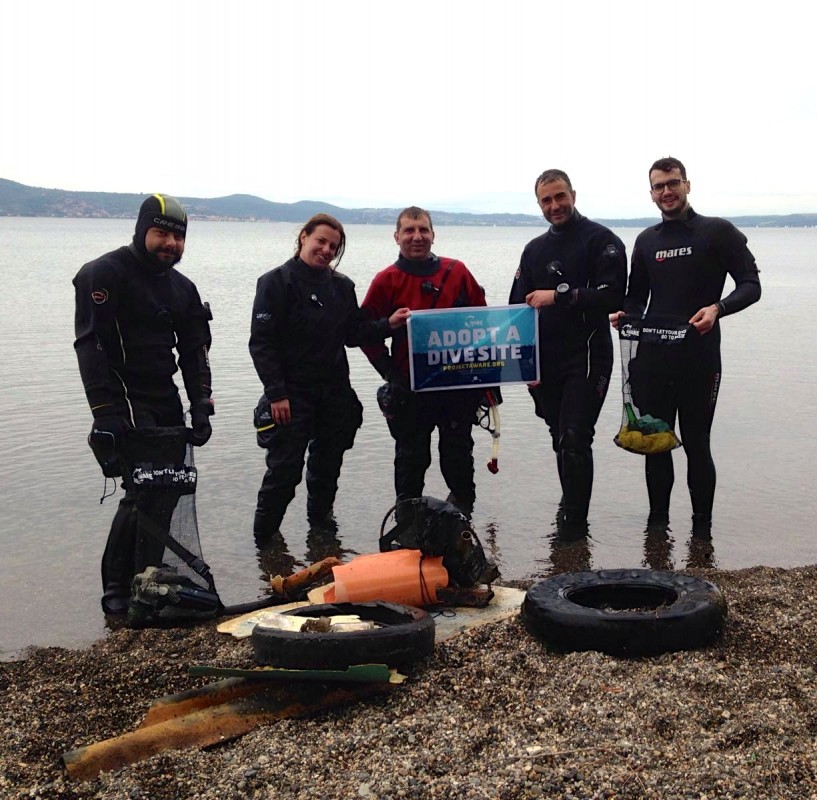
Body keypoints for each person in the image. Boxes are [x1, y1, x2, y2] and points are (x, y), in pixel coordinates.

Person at [73, 194, 214, 615]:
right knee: (140, 493)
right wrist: (104, 415)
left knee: (167, 489)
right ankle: (116, 593)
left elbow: (194, 351)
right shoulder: (103, 273)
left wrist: (201, 405)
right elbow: (89, 345)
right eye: (162, 233)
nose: (170, 243)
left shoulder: (182, 288)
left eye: (178, 236)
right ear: (141, 231)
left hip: (164, 398)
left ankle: (147, 578)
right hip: (122, 397)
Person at [611, 156, 761, 534]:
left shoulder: (717, 231)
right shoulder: (646, 241)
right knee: (656, 444)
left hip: (700, 357)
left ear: (687, 185)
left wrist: (718, 308)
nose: (667, 191)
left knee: (697, 442)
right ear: (651, 194)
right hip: (653, 360)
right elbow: (635, 298)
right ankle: (657, 528)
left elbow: (751, 285)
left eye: (673, 183)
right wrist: (624, 316)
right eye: (659, 186)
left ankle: (701, 531)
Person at [249, 213, 409, 541]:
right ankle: (265, 542)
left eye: (333, 246)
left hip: (335, 393)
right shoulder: (275, 282)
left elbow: (353, 333)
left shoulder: (342, 286)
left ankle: (321, 531)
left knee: (327, 467)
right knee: (284, 471)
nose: (326, 250)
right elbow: (261, 343)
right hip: (291, 395)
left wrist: (388, 324)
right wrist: (276, 393)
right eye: (320, 241)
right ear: (303, 237)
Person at [509, 169, 627, 528]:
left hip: (588, 356)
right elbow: (516, 311)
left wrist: (558, 296)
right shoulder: (534, 250)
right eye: (547, 200)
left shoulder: (602, 240)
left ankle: (574, 529)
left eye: (560, 196)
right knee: (559, 438)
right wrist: (522, 366)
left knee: (575, 436)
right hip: (546, 361)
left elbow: (613, 296)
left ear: (573, 194)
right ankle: (569, 507)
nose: (555, 205)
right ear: (539, 204)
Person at [361, 206, 488, 516]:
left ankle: (461, 523)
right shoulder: (386, 280)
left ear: (433, 235)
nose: (416, 237)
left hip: (457, 386)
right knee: (410, 461)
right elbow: (362, 333)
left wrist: (489, 383)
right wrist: (391, 374)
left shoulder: (457, 272)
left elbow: (486, 326)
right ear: (396, 237)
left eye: (423, 230)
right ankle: (406, 524)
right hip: (410, 389)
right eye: (409, 230)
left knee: (457, 457)